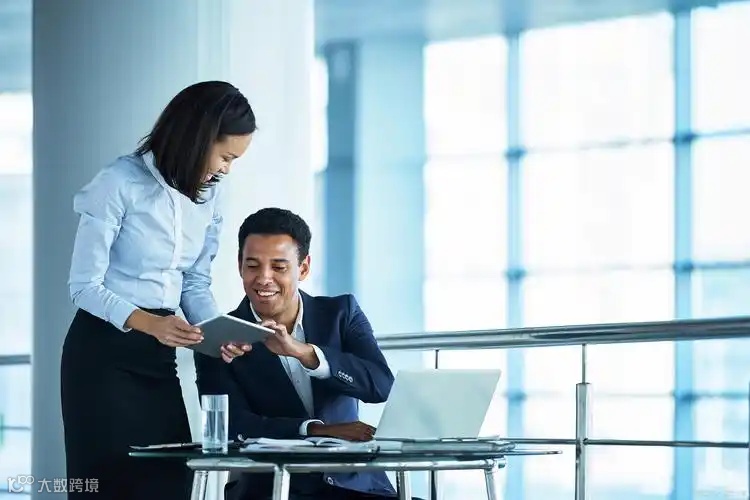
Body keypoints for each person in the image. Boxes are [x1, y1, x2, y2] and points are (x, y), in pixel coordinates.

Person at [61, 81, 256, 500]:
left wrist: (216, 332)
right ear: (197, 138)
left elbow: (194, 282)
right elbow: (83, 286)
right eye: (225, 156)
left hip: (158, 356)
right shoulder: (118, 182)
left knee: (168, 480)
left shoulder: (209, 196)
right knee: (108, 486)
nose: (227, 169)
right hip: (102, 355)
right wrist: (150, 323)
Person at [195, 207, 407, 500]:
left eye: (279, 267)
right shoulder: (220, 336)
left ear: (303, 268)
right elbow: (231, 426)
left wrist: (305, 354)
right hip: (272, 490)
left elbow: (381, 386)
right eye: (253, 265)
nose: (264, 278)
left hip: (356, 485)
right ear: (240, 266)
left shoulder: (341, 313)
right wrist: (316, 430)